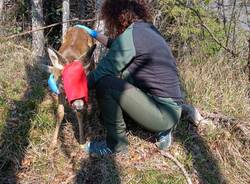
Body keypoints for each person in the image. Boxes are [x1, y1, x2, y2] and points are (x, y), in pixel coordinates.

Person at [74, 0, 183, 156]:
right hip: (172, 109)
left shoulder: (131, 36)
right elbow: (118, 45)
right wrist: (95, 35)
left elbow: (101, 73)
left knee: (106, 83)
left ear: (118, 17)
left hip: (162, 114)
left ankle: (115, 145)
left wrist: (74, 87)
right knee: (119, 87)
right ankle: (163, 130)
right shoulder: (147, 30)